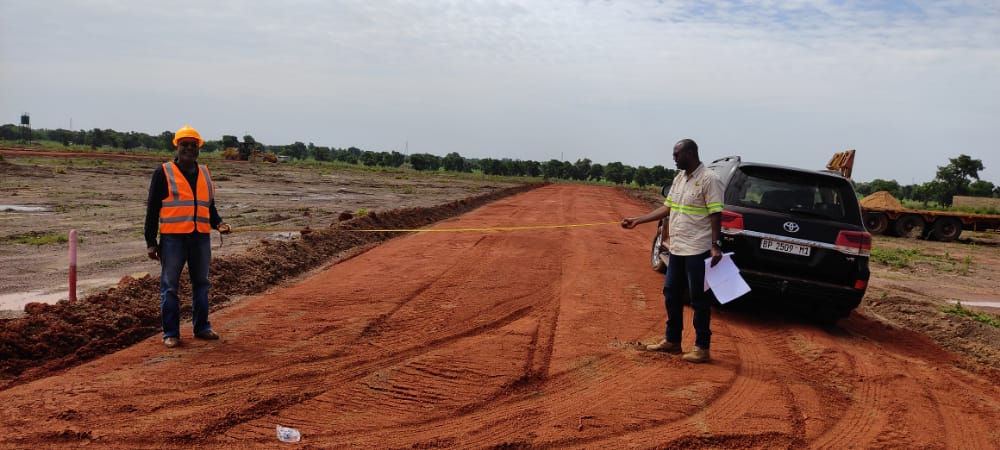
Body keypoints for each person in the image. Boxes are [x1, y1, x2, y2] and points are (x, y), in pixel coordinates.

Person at [621, 139, 724, 363]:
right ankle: (672, 340)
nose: (673, 158)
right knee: (671, 293)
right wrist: (638, 220)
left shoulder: (710, 179)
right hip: (677, 247)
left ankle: (702, 347)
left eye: (677, 154)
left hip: (698, 248)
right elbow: (668, 207)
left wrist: (716, 245)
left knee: (699, 299)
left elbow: (716, 214)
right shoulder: (679, 178)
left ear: (690, 153)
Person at [144, 125, 231, 348]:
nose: (189, 149)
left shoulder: (205, 173)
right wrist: (151, 242)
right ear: (177, 146)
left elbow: (209, 207)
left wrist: (219, 223)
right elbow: (152, 209)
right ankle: (171, 333)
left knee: (202, 283)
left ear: (198, 148)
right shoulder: (163, 172)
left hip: (200, 237)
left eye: (194, 145)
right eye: (185, 145)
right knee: (170, 286)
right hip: (173, 239)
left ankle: (202, 327)